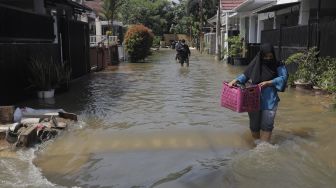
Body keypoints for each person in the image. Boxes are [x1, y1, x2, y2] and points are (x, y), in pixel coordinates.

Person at [228, 43, 288, 143]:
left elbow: (283, 78)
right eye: (265, 56)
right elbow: (245, 76)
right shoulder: (255, 64)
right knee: (254, 125)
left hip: (270, 100)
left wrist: (269, 82)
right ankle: (257, 144)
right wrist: (234, 81)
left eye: (270, 56)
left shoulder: (278, 65)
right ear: (261, 55)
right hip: (253, 98)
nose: (268, 58)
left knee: (267, 125)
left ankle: (262, 148)